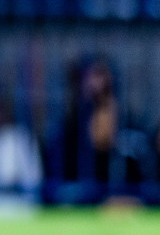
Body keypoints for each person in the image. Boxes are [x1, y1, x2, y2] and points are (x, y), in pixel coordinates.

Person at [50, 56, 158, 204]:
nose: (104, 121)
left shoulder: (134, 139)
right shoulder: (67, 141)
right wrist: (98, 199)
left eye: (108, 107)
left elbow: (151, 186)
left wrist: (134, 200)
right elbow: (54, 189)